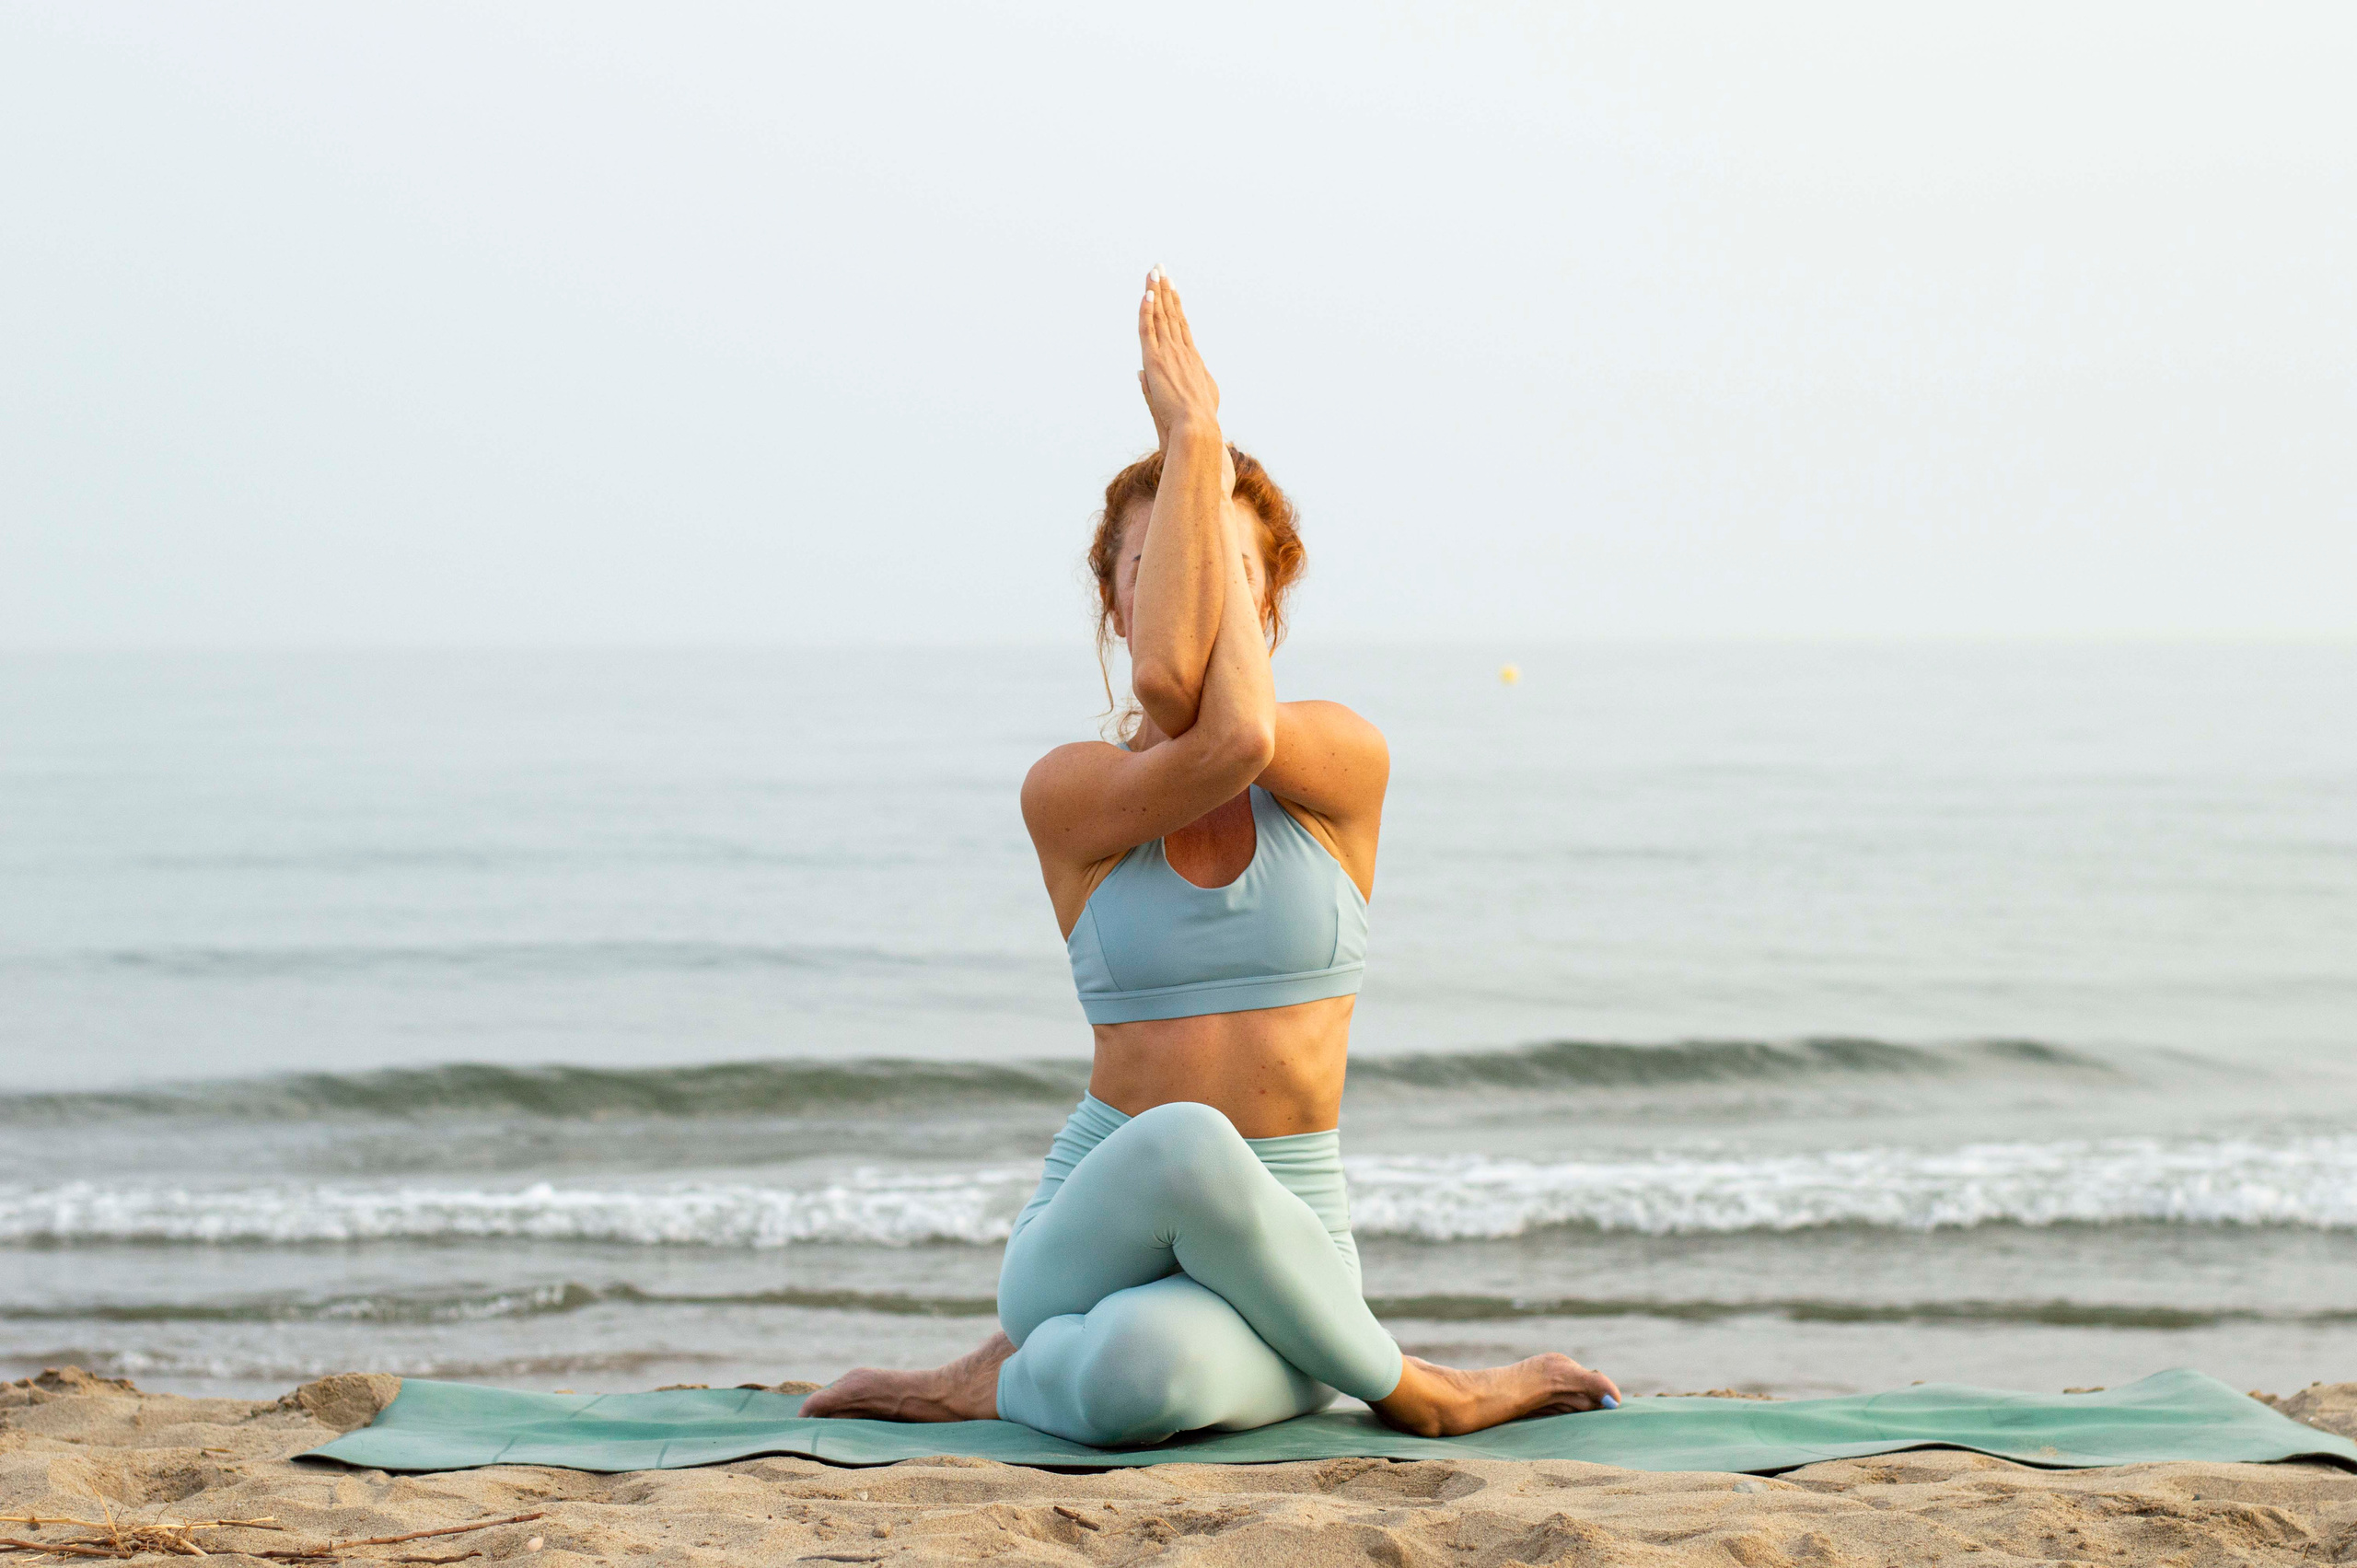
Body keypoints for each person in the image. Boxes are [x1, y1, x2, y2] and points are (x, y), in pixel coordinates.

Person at [801, 270, 1622, 1445]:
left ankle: (996, 1377)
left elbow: (1234, 722)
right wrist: (1198, 439)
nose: (1189, 600)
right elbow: (1189, 708)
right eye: (1154, 570)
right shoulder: (1073, 795)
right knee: (1184, 1140)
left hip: (1292, 1237)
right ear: (1111, 598)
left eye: (1229, 573)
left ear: (1268, 601)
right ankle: (1421, 1388)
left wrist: (1194, 456)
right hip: (1089, 1234)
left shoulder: (1341, 763)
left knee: (1141, 1383)